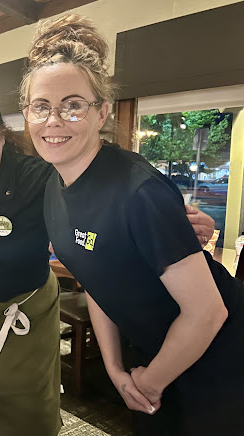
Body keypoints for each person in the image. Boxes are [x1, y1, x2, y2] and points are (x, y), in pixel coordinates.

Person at [0, 86, 216, 436]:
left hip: (25, 319)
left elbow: (105, 199)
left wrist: (177, 218)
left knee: (28, 419)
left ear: (2, 133)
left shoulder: (41, 176)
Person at [20, 13, 244, 435]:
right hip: (151, 354)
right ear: (27, 113)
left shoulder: (139, 191)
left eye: (73, 106)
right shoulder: (53, 186)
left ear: (101, 112)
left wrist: (148, 382)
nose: (54, 120)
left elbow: (207, 312)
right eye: (41, 106)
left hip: (221, 359)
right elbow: (97, 280)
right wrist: (114, 367)